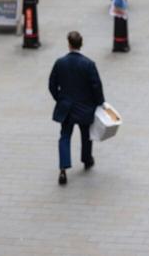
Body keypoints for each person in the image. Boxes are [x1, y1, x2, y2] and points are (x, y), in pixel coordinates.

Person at [49, 31, 106, 186]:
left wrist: (60, 99)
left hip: (66, 107)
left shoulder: (60, 62)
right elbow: (96, 86)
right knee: (86, 135)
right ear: (81, 44)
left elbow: (52, 84)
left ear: (69, 44)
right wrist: (100, 103)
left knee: (65, 136)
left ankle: (63, 168)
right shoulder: (89, 64)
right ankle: (87, 160)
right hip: (85, 108)